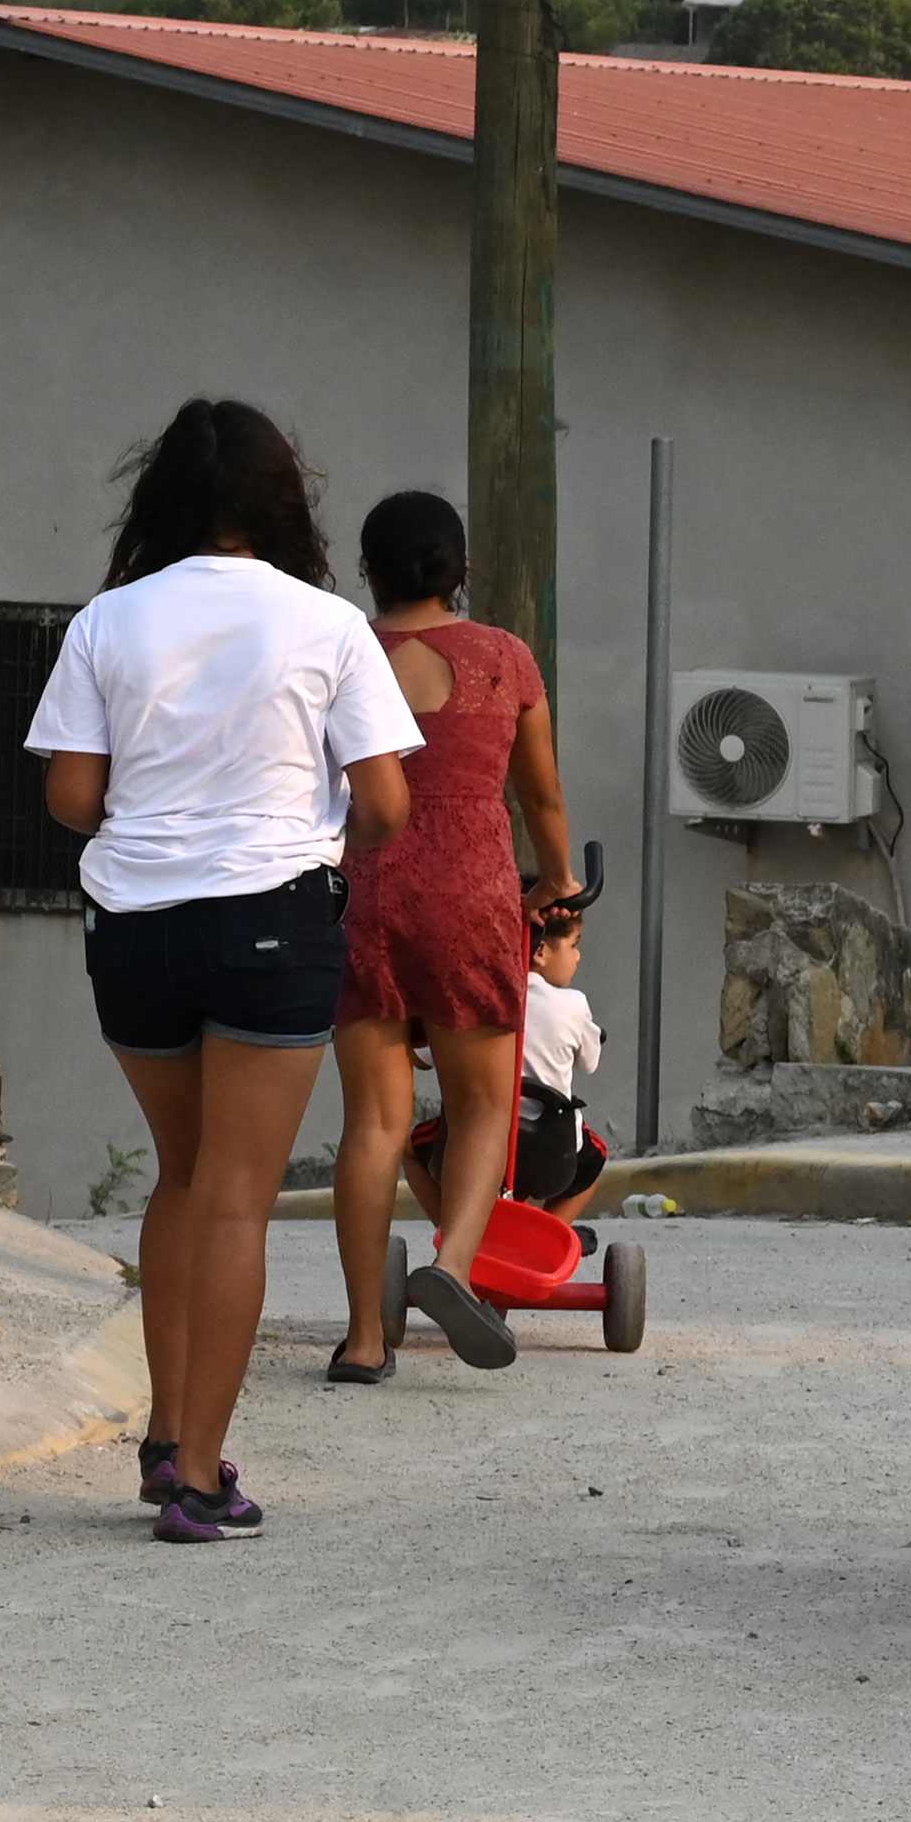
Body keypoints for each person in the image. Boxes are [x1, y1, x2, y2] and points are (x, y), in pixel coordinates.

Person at [21, 400, 420, 1543]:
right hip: (270, 924)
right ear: (282, 503)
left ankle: (159, 1435)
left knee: (181, 1178)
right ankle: (199, 1477)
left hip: (133, 928)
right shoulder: (330, 626)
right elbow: (388, 805)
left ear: (161, 504)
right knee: (240, 1196)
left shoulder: (107, 621)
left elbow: (74, 800)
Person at [328, 489, 576, 1378]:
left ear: (369, 569)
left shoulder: (341, 647)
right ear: (459, 571)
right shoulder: (505, 659)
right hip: (471, 894)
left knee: (374, 1125)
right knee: (482, 1105)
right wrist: (558, 879)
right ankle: (450, 1269)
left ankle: (363, 1340)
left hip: (361, 891)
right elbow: (540, 797)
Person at [512, 896, 617, 1219]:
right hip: (551, 1145)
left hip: (484, 1132)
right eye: (573, 945)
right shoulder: (574, 1003)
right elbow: (590, 1062)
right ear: (541, 952)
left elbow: (428, 1056)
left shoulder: (487, 996)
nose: (578, 956)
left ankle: (454, 1236)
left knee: (414, 1149)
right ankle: (548, 1234)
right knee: (596, 1157)